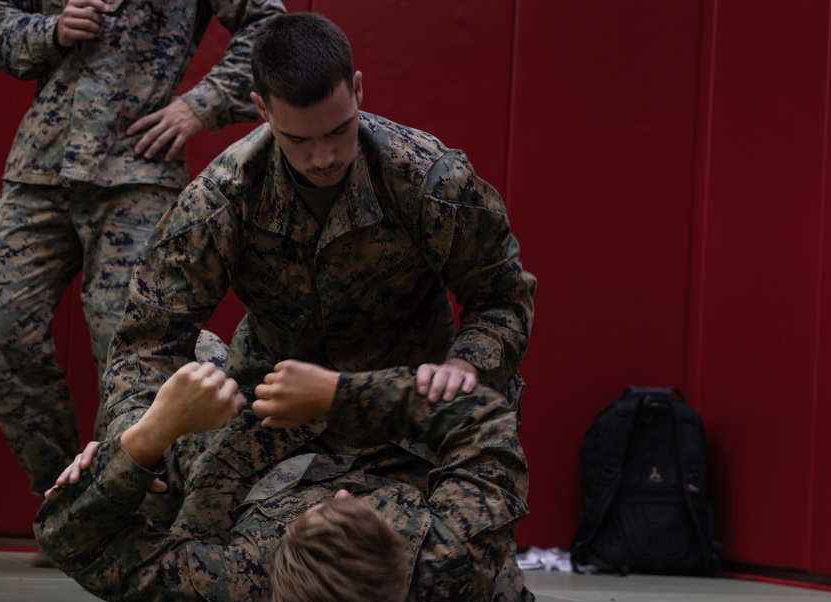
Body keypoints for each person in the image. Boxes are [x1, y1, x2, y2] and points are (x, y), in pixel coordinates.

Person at [99, 11, 537, 546]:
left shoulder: (430, 181)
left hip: (403, 409)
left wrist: (466, 362)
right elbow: (147, 342)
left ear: (356, 90)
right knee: (200, 542)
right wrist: (135, 441)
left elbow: (502, 298)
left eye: (339, 130)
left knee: (449, 573)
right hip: (271, 413)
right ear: (261, 110)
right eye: (299, 140)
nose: (324, 156)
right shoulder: (221, 200)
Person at [0, 0, 286, 497]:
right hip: (39, 169)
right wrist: (50, 30)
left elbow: (271, 24)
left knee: (131, 347)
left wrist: (202, 104)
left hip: (138, 170)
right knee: (5, 336)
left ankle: (118, 501)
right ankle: (65, 496)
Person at [35, 358, 534, 602]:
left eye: (325, 509)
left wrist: (146, 441)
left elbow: (68, 538)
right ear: (402, 554)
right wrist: (342, 394)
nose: (342, 492)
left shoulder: (229, 586)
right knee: (467, 373)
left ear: (275, 556)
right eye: (360, 507)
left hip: (256, 458)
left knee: (182, 370)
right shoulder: (453, 558)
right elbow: (486, 420)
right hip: (409, 444)